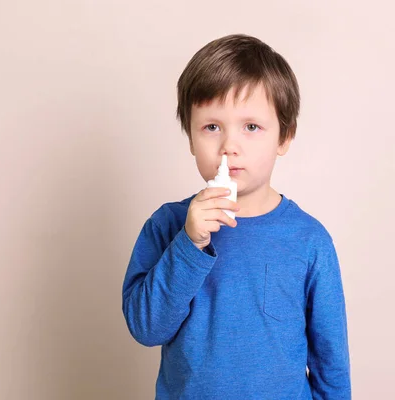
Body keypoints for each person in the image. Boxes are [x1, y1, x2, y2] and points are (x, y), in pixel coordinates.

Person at [121, 33, 351, 399]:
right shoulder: (167, 226)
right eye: (212, 127)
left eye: (251, 127)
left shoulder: (309, 240)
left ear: (284, 137)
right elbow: (146, 328)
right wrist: (190, 245)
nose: (229, 146)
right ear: (191, 139)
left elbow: (331, 360)